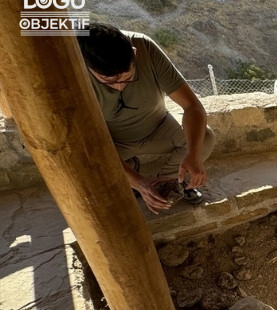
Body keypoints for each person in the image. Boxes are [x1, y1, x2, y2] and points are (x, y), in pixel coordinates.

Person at [77, 23, 215, 213]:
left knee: (204, 139)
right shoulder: (73, 68)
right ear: (88, 68)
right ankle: (134, 179)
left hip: (157, 127)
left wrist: (192, 155)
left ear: (134, 53)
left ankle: (171, 183)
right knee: (85, 171)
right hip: (111, 141)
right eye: (109, 81)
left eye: (127, 77)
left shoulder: (144, 47)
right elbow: (88, 143)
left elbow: (192, 106)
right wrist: (138, 182)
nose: (119, 86)